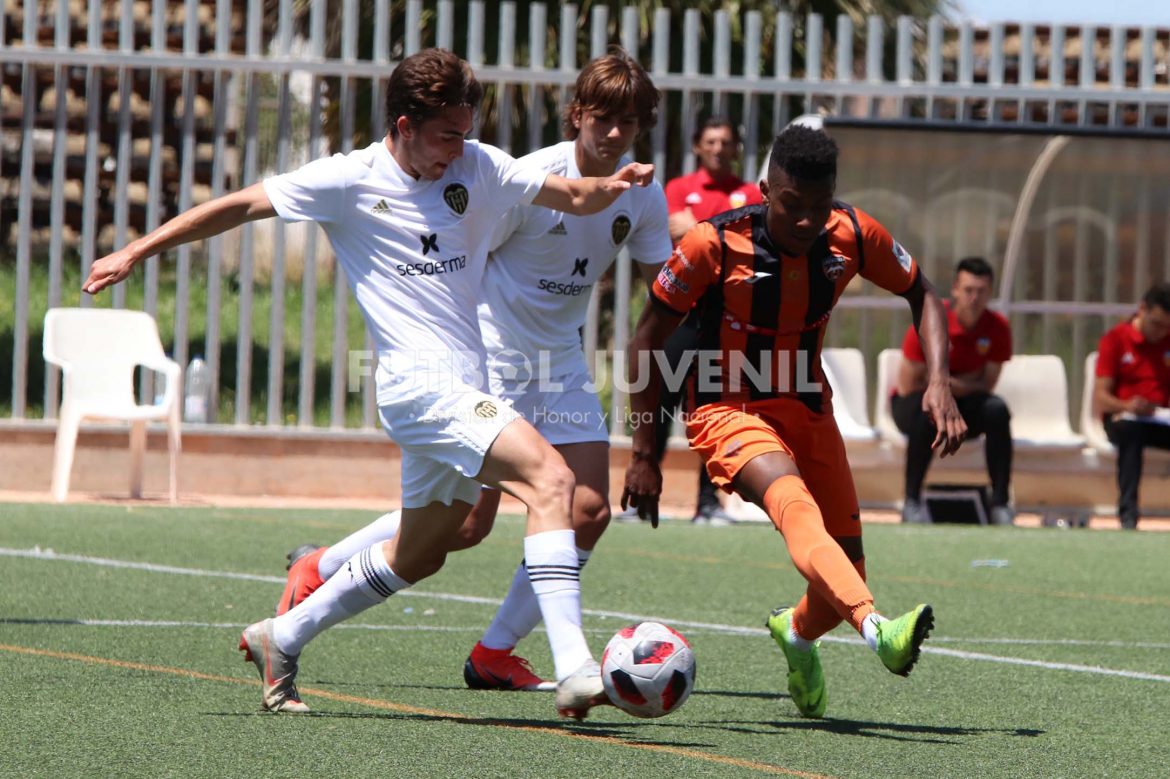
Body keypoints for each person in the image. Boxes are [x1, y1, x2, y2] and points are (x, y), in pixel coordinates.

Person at [81, 47, 655, 720]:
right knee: (554, 482)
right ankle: (575, 667)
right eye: (446, 135)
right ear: (405, 124)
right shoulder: (347, 178)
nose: (458, 149)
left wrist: (616, 188)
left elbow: (573, 193)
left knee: (425, 552)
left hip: (465, 386)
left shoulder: (482, 165)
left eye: (466, 131)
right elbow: (238, 206)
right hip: (419, 386)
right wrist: (134, 251)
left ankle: (282, 636)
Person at [274, 49, 672, 693]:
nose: (617, 133)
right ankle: (325, 562)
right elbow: (463, 254)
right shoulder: (529, 178)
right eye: (604, 118)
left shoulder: (642, 192)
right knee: (464, 526)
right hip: (491, 356)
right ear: (577, 115)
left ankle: (494, 651)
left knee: (590, 509)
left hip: (562, 360)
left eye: (630, 121)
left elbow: (665, 287)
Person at [621, 125, 967, 720]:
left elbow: (923, 292)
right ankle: (877, 627)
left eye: (818, 206)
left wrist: (939, 380)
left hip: (808, 405)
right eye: (791, 206)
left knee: (843, 570)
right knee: (795, 507)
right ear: (764, 190)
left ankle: (798, 633)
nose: (806, 221)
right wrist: (645, 453)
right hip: (726, 406)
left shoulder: (854, 233)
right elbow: (647, 339)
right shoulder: (713, 243)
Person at [656, 116, 763, 524]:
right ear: (698, 146)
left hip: (726, 321)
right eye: (711, 141)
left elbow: (749, 246)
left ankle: (707, 503)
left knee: (712, 407)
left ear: (735, 148)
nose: (719, 148)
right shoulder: (679, 188)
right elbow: (678, 238)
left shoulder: (750, 192)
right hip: (680, 315)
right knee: (658, 402)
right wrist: (722, 233)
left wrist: (700, 228)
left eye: (726, 141)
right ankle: (644, 489)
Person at [892, 257, 1015, 526]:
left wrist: (942, 381)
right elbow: (908, 384)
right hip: (913, 403)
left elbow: (987, 385)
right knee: (926, 413)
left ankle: (1001, 504)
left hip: (963, 404)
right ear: (955, 289)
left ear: (990, 293)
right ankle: (911, 501)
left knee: (997, 410)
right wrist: (947, 386)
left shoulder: (998, 328)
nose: (974, 297)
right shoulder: (930, 320)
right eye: (969, 290)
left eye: (981, 291)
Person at [1093, 282, 1170, 530]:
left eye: (1167, 327)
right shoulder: (1115, 340)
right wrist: (1127, 405)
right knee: (1131, 433)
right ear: (1142, 309)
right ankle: (1128, 514)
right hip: (1123, 419)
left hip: (1160, 419)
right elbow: (1101, 396)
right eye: (1157, 324)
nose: (1161, 332)